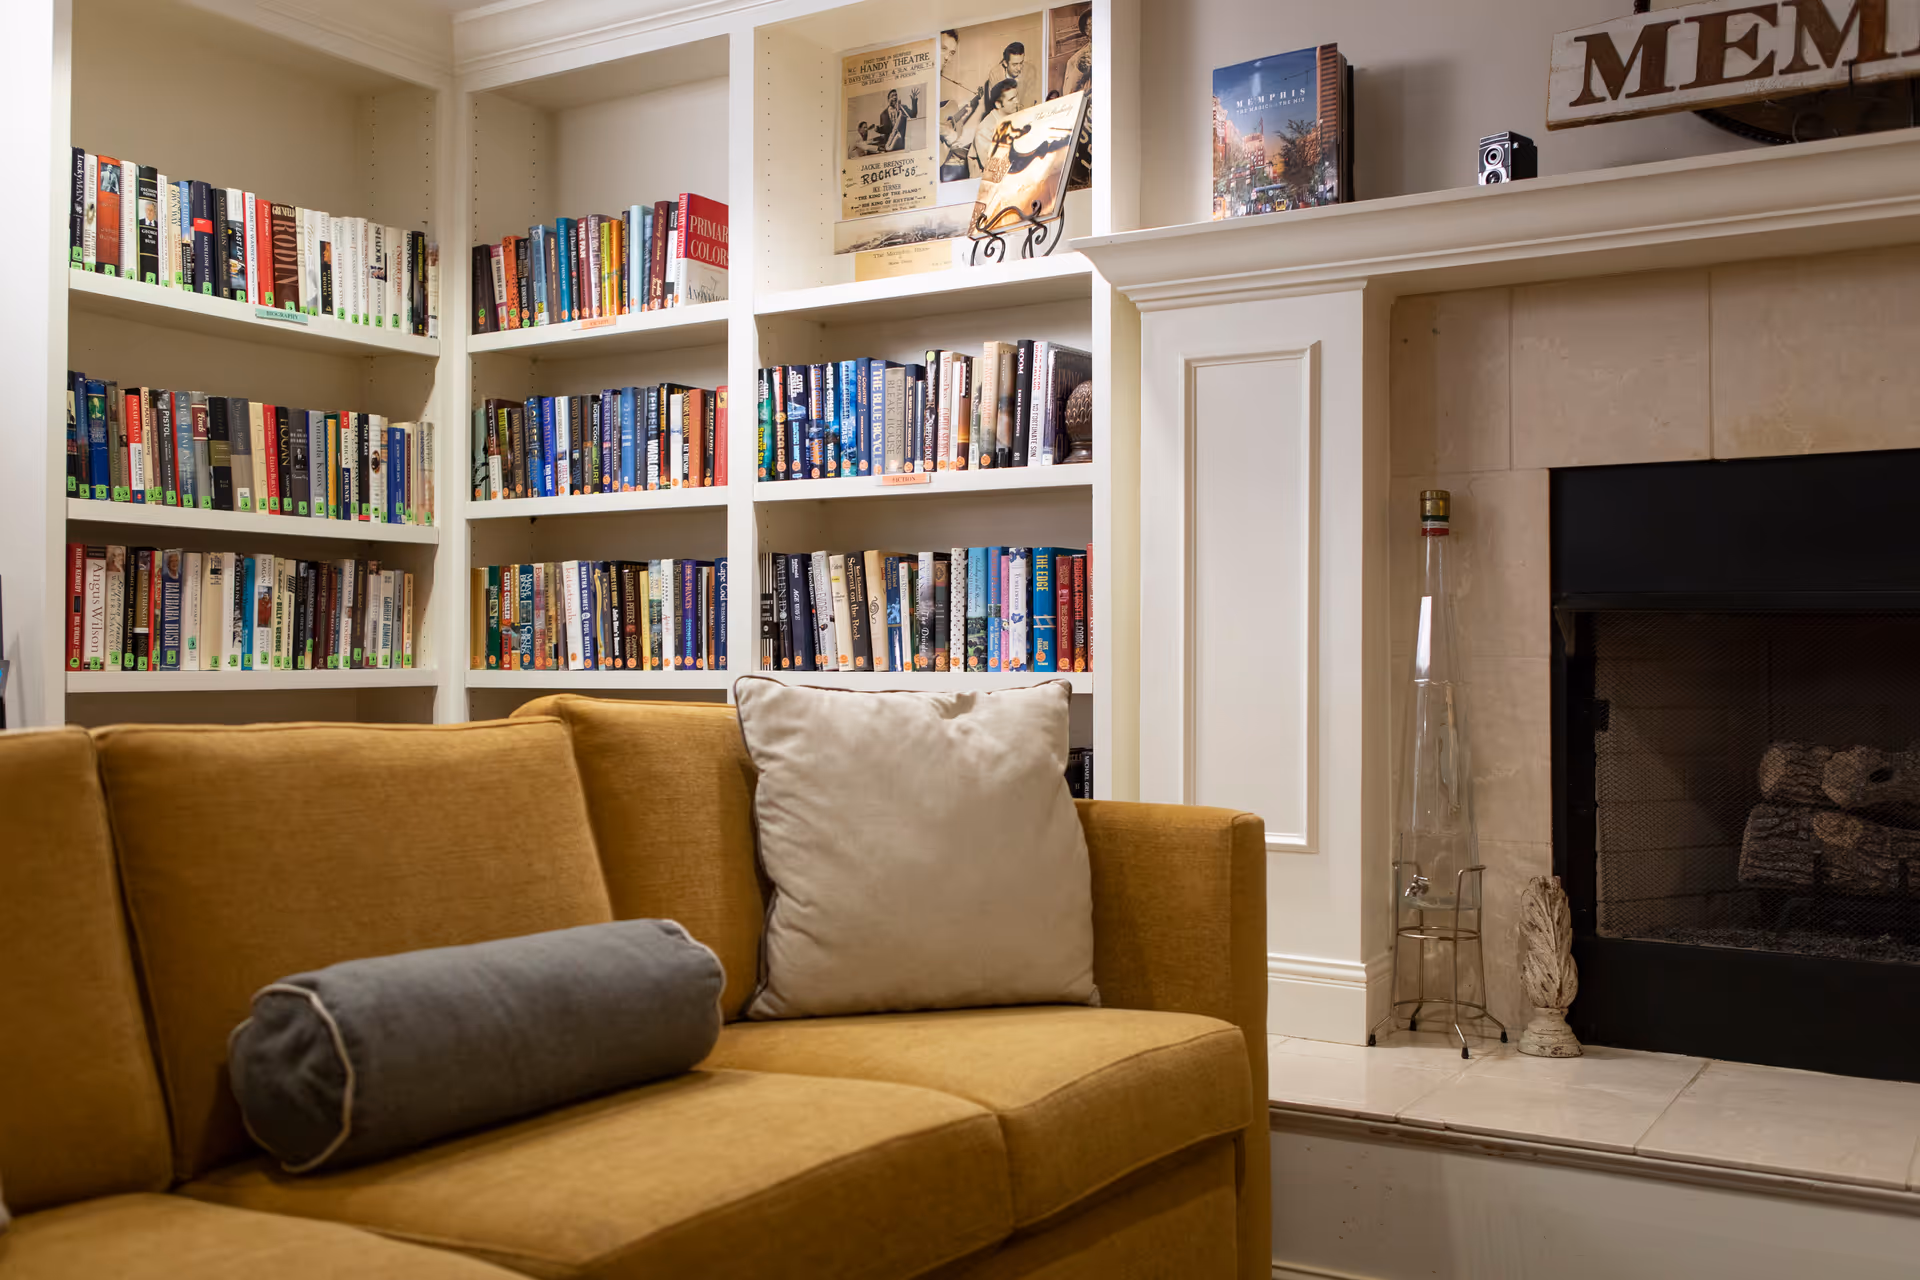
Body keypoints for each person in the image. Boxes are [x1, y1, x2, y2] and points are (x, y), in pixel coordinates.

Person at [969, 78, 1022, 179]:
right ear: (998, 104)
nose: (1017, 101)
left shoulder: (1012, 117)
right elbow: (994, 166)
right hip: (988, 183)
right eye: (1011, 99)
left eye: (1016, 97)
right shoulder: (985, 129)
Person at [875, 87, 920, 153]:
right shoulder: (883, 114)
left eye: (896, 95)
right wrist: (878, 129)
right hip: (890, 146)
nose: (894, 97)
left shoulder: (902, 108)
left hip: (902, 144)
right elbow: (885, 130)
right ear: (888, 99)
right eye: (892, 96)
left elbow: (913, 115)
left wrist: (914, 99)